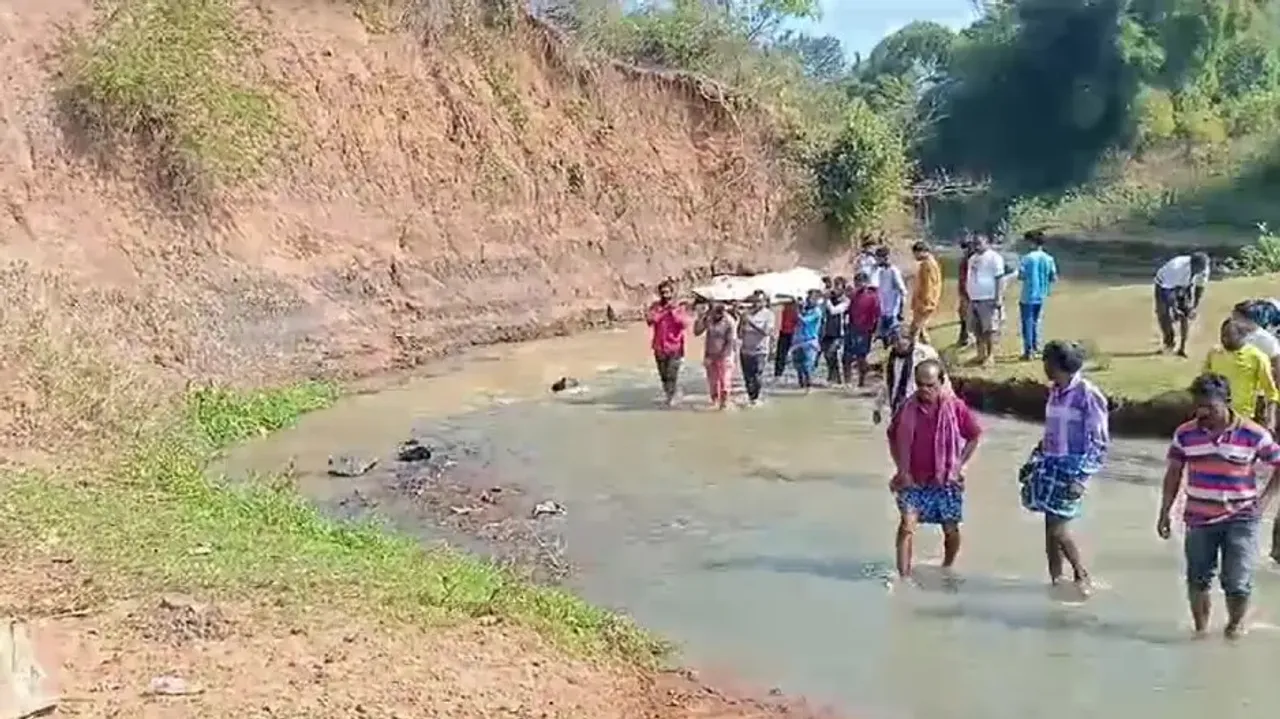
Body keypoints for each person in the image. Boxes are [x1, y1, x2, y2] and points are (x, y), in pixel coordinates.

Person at [1158, 373, 1280, 639]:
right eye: (1198, 406)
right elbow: (1174, 473)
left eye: (1210, 407)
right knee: (1198, 578)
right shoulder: (1186, 434)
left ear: (1226, 402)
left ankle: (1235, 626)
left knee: (1236, 581)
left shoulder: (1252, 433)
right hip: (1198, 517)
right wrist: (1164, 511)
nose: (1203, 413)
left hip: (1242, 516)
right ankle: (1200, 632)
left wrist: (1265, 500)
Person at [1018, 340, 1109, 596]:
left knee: (1059, 529)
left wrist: (1082, 478)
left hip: (1072, 467)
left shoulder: (1087, 395)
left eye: (1047, 363)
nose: (1044, 368)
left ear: (1060, 365)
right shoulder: (1055, 391)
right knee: (1050, 529)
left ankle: (1082, 574)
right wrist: (1034, 458)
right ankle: (1056, 581)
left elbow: (1100, 441)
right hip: (1050, 463)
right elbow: (1051, 430)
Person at [887, 359, 983, 584]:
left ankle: (947, 567)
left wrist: (959, 465)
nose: (924, 390)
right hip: (913, 479)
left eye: (930, 385)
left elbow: (974, 435)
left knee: (950, 529)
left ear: (941, 382)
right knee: (907, 526)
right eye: (920, 384)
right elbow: (892, 436)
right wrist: (901, 468)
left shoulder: (955, 407)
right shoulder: (907, 408)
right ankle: (904, 578)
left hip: (945, 480)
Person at [1203, 319, 1279, 428]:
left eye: (1229, 336)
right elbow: (1204, 383)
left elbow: (1271, 393)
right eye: (1222, 335)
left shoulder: (1257, 357)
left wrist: (1271, 419)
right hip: (1216, 416)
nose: (1224, 339)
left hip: (1243, 418)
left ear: (1242, 336)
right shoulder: (1214, 353)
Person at [873, 327, 944, 424]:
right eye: (895, 340)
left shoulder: (921, 354)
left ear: (910, 340)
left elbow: (938, 378)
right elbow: (886, 384)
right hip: (897, 407)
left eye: (902, 339)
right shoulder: (892, 358)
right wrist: (877, 408)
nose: (899, 343)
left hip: (918, 406)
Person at [1153, 251, 1210, 357]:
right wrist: (1174, 309)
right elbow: (1167, 291)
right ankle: (1169, 342)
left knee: (1186, 314)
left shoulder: (1204, 269)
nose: (1201, 271)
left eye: (1202, 269)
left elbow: (1199, 287)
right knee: (1163, 313)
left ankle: (1183, 348)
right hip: (1163, 285)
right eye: (1197, 269)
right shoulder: (1176, 267)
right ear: (1191, 264)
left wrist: (1194, 307)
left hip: (1184, 285)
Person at [646, 279, 689, 406]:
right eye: (662, 293)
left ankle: (672, 398)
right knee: (664, 376)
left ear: (672, 293)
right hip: (659, 347)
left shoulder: (679, 307)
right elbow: (650, 321)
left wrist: (673, 312)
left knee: (671, 375)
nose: (665, 295)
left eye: (667, 292)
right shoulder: (655, 307)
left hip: (675, 347)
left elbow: (684, 323)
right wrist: (662, 312)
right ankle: (670, 394)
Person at [1017, 231, 1059, 360]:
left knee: (1027, 323)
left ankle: (1029, 351)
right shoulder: (1049, 258)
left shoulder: (1027, 258)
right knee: (1036, 322)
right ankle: (1036, 347)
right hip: (1041, 295)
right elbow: (1053, 278)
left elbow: (1021, 276)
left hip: (1028, 295)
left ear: (1031, 242)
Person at [965, 235, 1006, 367]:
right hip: (974, 298)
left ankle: (990, 356)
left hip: (988, 298)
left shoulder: (994, 258)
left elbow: (999, 278)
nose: (976, 246)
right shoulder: (972, 259)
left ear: (987, 243)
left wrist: (998, 297)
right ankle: (980, 354)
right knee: (976, 328)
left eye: (979, 243)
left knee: (989, 329)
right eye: (975, 244)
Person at [694, 301, 739, 410]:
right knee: (713, 383)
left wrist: (722, 357)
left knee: (724, 382)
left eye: (720, 312)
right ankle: (715, 403)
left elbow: (730, 342)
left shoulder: (729, 321)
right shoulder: (708, 318)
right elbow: (697, 332)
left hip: (725, 355)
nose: (717, 314)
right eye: (715, 311)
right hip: (710, 354)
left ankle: (724, 405)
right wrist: (700, 318)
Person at [738, 291, 775, 406]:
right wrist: (741, 321)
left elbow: (766, 332)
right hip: (745, 350)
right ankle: (751, 398)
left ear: (764, 302)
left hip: (760, 351)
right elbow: (739, 333)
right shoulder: (747, 313)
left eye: (759, 301)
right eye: (754, 301)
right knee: (747, 377)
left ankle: (756, 398)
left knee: (757, 375)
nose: (756, 303)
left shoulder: (769, 315)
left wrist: (750, 322)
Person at [844, 272, 880, 388]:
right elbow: (849, 310)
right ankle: (847, 382)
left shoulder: (873, 296)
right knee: (847, 356)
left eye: (860, 282)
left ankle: (861, 381)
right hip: (851, 328)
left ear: (866, 283)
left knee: (861, 357)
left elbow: (877, 315)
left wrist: (876, 331)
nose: (858, 284)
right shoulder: (855, 295)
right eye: (856, 282)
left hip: (865, 330)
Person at [791, 289, 825, 392]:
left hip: (810, 342)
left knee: (807, 367)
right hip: (798, 341)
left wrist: (797, 309)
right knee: (798, 367)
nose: (809, 300)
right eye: (808, 297)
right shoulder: (805, 310)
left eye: (812, 298)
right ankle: (801, 388)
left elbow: (804, 321)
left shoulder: (817, 311)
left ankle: (808, 388)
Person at [875, 247, 908, 349]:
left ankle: (902, 349)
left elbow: (902, 290)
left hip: (892, 310)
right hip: (883, 309)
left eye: (878, 259)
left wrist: (901, 309)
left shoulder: (893, 271)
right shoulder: (881, 271)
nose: (877, 261)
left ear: (885, 258)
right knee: (884, 335)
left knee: (895, 332)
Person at [820, 277, 851, 384]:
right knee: (827, 356)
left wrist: (827, 300)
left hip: (839, 333)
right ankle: (832, 377)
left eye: (838, 286)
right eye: (835, 285)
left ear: (843, 288)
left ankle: (838, 379)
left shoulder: (846, 301)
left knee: (832, 353)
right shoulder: (831, 298)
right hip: (827, 331)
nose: (836, 289)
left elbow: (834, 311)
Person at [910, 241, 942, 344]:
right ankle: (925, 348)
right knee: (921, 330)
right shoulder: (928, 263)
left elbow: (928, 286)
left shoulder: (927, 265)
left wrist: (924, 304)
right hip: (925, 302)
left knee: (915, 329)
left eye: (915, 253)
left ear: (922, 252)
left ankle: (915, 351)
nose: (914, 256)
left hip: (925, 303)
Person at [955, 237, 976, 347]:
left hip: (972, 293)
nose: (964, 251)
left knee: (971, 317)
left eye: (966, 248)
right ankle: (964, 337)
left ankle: (968, 338)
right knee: (963, 315)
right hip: (964, 292)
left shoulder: (974, 261)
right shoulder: (964, 260)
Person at [774, 299, 798, 379]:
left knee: (788, 353)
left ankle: (783, 372)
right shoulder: (784, 310)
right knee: (781, 354)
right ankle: (779, 372)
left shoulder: (796, 311)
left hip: (792, 332)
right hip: (784, 332)